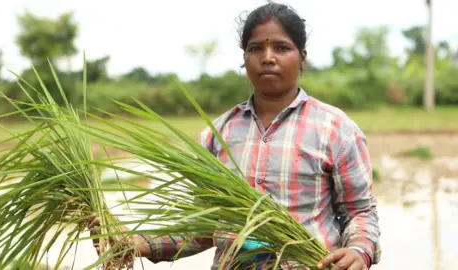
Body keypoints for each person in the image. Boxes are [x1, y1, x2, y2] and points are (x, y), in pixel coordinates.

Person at [90, 2, 381, 270]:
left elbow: (360, 211)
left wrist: (358, 250)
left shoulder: (335, 129)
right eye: (256, 49)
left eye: (282, 48)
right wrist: (141, 244)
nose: (268, 58)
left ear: (302, 58)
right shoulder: (218, 134)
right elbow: (205, 225)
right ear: (244, 59)